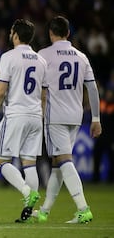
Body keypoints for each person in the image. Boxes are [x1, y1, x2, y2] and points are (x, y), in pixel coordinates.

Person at [32, 16, 102, 224]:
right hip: (76, 115)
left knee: (63, 160)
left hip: (55, 116)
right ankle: (44, 211)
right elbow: (92, 88)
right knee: (57, 163)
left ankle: (83, 209)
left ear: (50, 34)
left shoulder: (44, 55)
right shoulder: (81, 57)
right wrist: (96, 118)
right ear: (68, 33)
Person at [0, 19, 46, 222]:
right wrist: (40, 117)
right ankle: (30, 212)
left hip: (16, 114)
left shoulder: (8, 57)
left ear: (16, 35)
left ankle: (27, 192)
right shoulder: (41, 60)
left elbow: (1, 91)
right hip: (36, 116)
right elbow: (44, 95)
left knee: (1, 161)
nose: (10, 35)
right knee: (29, 164)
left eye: (11, 32)